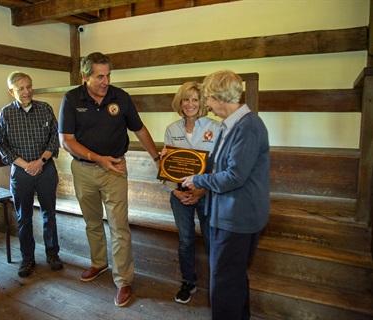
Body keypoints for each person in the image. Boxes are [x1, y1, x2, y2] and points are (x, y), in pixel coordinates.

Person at [58, 52, 160, 307]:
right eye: (99, 76)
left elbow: (139, 128)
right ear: (85, 77)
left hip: (114, 169)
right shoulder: (71, 99)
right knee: (92, 222)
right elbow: (66, 140)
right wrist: (96, 158)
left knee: (119, 226)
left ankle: (123, 280)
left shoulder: (120, 97)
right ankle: (99, 263)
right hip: (83, 170)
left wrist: (157, 158)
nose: (105, 81)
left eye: (108, 75)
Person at [181, 70, 270, 320]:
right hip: (225, 214)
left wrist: (198, 180)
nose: (205, 104)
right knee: (233, 278)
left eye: (207, 98)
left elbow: (234, 176)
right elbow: (215, 165)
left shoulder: (249, 126)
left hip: (238, 218)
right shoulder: (227, 125)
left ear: (220, 98)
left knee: (223, 283)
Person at [0, 71, 62, 278]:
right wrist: (27, 165)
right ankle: (27, 258)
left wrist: (40, 162)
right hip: (21, 173)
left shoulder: (44, 109)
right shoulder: (5, 114)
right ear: (11, 91)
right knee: (23, 217)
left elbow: (54, 138)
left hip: (46, 169)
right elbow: (2, 146)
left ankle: (52, 254)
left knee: (48, 214)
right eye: (21, 89)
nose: (27, 92)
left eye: (29, 86)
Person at [162, 82, 219, 304]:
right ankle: (189, 282)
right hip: (179, 196)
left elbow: (219, 166)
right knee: (185, 240)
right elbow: (167, 166)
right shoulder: (172, 129)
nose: (190, 104)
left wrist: (202, 190)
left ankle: (218, 283)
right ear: (180, 102)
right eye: (186, 99)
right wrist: (176, 192)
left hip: (207, 194)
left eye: (195, 99)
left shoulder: (216, 128)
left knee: (211, 239)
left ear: (203, 103)